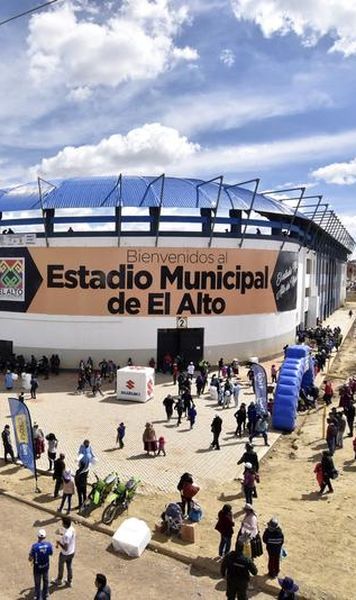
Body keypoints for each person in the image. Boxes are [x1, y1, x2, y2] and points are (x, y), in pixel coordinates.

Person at [29, 529, 53, 600]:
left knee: (37, 583)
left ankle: (38, 597)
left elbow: (30, 558)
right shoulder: (49, 545)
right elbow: (51, 553)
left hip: (37, 568)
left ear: (38, 536)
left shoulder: (34, 546)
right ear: (45, 537)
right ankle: (45, 594)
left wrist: (31, 559)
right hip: (46, 567)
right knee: (46, 581)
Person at [54, 517, 76, 588]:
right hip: (72, 552)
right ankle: (69, 581)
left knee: (61, 566)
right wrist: (61, 534)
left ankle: (59, 580)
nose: (62, 524)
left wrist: (59, 542)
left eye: (63, 523)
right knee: (69, 567)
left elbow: (65, 548)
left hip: (65, 554)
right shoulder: (72, 529)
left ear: (65, 524)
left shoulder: (67, 535)